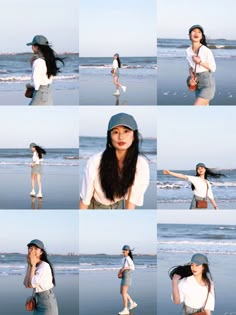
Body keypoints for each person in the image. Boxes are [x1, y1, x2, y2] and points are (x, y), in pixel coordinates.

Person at [80, 113, 150, 209]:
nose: (121, 137)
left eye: (126, 131)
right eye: (116, 132)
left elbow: (131, 201)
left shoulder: (140, 164)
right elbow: (85, 199)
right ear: (110, 136)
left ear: (134, 135)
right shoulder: (95, 162)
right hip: (95, 206)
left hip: (119, 206)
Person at [26, 35, 64, 105]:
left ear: (37, 47)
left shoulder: (38, 62)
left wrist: (28, 85)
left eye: (32, 45)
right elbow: (45, 77)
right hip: (48, 93)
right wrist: (32, 64)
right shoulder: (49, 61)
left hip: (40, 94)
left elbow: (36, 84)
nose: (31, 48)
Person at [24, 239, 58, 315]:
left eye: (36, 248)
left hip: (46, 301)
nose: (32, 251)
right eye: (30, 248)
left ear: (41, 252)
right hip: (37, 300)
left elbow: (31, 284)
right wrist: (30, 265)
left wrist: (32, 265)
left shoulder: (44, 266)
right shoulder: (34, 265)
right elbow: (26, 284)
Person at [186, 25, 216, 106]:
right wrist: (192, 77)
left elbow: (213, 68)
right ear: (189, 35)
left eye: (199, 32)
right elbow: (190, 67)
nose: (196, 33)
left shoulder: (206, 50)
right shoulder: (188, 50)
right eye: (194, 31)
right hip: (197, 84)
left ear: (201, 36)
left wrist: (199, 62)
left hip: (207, 83)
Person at [118, 245, 137, 315]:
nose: (124, 251)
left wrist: (124, 269)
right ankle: (132, 302)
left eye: (126, 250)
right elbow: (122, 267)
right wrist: (119, 272)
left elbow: (133, 267)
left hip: (127, 276)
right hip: (124, 276)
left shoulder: (128, 258)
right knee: (122, 292)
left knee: (123, 293)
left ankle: (126, 309)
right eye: (123, 250)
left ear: (128, 251)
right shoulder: (124, 259)